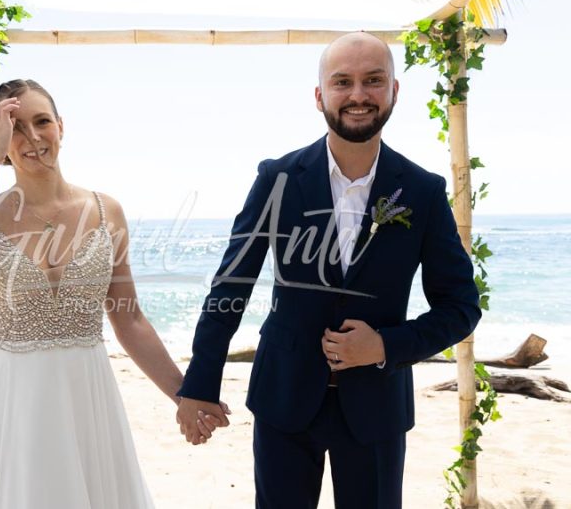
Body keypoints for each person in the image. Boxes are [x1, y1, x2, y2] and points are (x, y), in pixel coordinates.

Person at [175, 32, 482, 508]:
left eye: (373, 81)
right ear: (320, 95)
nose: (358, 95)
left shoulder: (422, 191)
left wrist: (384, 346)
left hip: (377, 408)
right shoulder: (276, 178)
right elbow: (230, 287)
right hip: (284, 400)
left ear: (394, 91)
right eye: (343, 82)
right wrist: (199, 384)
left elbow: (461, 307)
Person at [0, 79, 226, 509]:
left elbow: (130, 320)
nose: (32, 137)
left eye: (42, 121)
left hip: (85, 403)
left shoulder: (106, 211)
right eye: (14, 128)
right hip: (12, 411)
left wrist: (186, 395)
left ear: (61, 126)